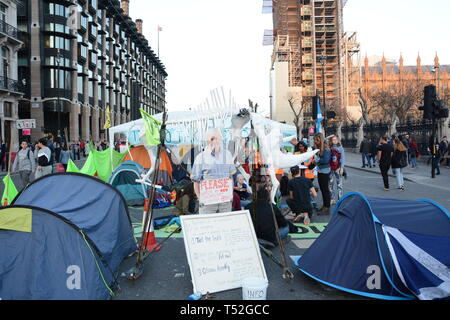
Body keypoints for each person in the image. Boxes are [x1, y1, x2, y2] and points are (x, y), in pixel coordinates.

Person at [192, 128, 237, 214]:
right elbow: (196, 181)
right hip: (208, 203)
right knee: (208, 226)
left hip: (225, 202)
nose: (215, 141)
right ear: (207, 140)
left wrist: (230, 195)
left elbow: (230, 178)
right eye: (212, 138)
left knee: (225, 225)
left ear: (220, 139)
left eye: (217, 138)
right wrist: (200, 198)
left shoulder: (227, 155)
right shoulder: (200, 158)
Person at [313, 133, 331, 215]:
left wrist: (317, 160)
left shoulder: (326, 149)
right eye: (315, 140)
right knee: (323, 190)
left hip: (325, 171)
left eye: (317, 140)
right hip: (320, 171)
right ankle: (325, 206)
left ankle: (327, 207)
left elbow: (326, 160)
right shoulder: (318, 148)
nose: (315, 141)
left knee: (325, 190)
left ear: (321, 139)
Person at [329, 135, 345, 204]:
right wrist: (330, 136)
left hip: (338, 168)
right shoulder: (330, 147)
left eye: (335, 139)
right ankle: (332, 199)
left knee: (339, 184)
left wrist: (341, 168)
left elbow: (343, 159)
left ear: (338, 140)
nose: (334, 141)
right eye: (333, 139)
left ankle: (340, 199)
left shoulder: (340, 148)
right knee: (330, 184)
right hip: (330, 168)